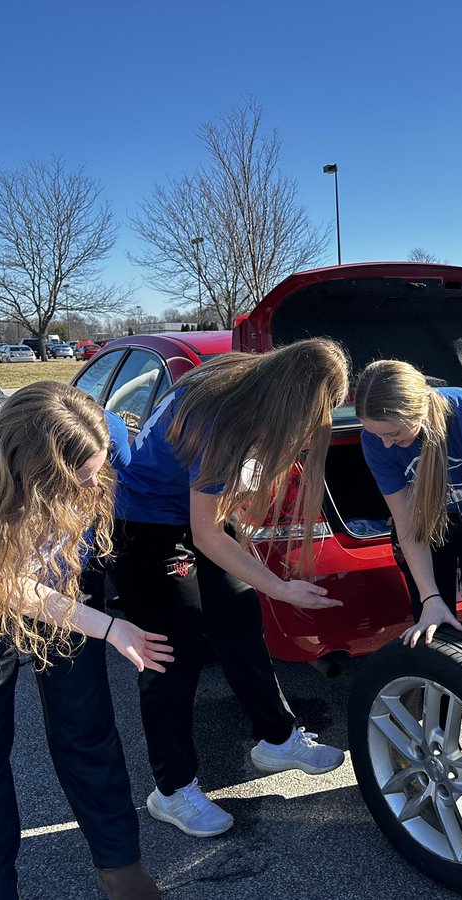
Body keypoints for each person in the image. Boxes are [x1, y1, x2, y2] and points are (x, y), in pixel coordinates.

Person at [0, 381, 172, 900]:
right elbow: (13, 588)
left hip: (67, 584)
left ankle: (119, 865)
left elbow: (162, 472)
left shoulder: (99, 434)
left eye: (95, 475)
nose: (89, 490)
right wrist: (108, 626)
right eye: (73, 483)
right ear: (28, 476)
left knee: (89, 726)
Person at [111, 338, 350, 839]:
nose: (312, 427)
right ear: (290, 399)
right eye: (314, 414)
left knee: (240, 623)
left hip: (200, 514)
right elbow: (204, 534)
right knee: (172, 653)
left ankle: (277, 738)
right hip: (147, 523)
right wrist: (282, 589)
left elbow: (222, 508)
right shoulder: (219, 420)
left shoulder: (248, 382)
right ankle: (171, 791)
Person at [354, 359, 462, 648]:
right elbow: (404, 522)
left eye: (394, 434)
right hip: (423, 518)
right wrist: (429, 597)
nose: (387, 444)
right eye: (379, 435)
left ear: (417, 410)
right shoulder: (374, 440)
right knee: (432, 622)